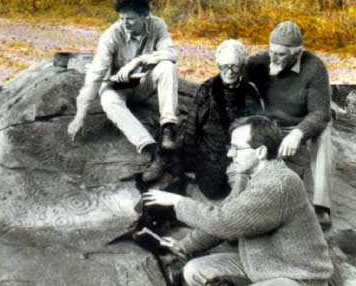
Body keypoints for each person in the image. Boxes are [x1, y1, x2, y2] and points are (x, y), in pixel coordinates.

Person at [143, 115, 333, 286]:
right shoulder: (247, 176)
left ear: (260, 152)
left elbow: (224, 222)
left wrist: (178, 202)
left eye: (237, 149)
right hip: (263, 264)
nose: (229, 154)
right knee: (195, 271)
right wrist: (184, 246)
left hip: (300, 276)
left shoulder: (279, 184)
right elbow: (226, 220)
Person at [68, 0, 178, 182]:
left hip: (142, 83)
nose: (125, 24)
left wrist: (138, 61)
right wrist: (80, 116)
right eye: (121, 18)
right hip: (117, 86)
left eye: (131, 19)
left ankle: (168, 128)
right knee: (108, 99)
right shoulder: (111, 36)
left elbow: (171, 54)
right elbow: (95, 77)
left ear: (145, 16)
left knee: (167, 67)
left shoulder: (158, 25)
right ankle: (151, 149)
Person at [243, 20, 333, 226]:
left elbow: (320, 112)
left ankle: (321, 206)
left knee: (325, 135)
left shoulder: (315, 67)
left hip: (301, 127)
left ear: (297, 52)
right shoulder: (260, 62)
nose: (273, 57)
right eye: (271, 50)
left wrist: (299, 132)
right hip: (272, 126)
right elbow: (232, 83)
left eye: (281, 54)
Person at [182, 39, 261, 199]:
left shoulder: (249, 90)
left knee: (242, 186)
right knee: (214, 192)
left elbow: (258, 126)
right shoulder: (207, 89)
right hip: (212, 157)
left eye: (235, 66)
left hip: (238, 156)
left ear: (242, 66)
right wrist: (188, 161)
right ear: (218, 66)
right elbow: (192, 127)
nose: (229, 71)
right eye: (224, 66)